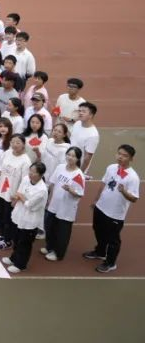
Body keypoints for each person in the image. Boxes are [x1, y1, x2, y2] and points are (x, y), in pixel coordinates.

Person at [85, 144, 139, 273]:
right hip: (101, 207)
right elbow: (103, 183)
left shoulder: (133, 177)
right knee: (98, 230)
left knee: (113, 240)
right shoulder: (111, 168)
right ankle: (100, 251)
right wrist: (96, 200)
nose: (120, 157)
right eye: (119, 153)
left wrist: (124, 191)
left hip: (115, 214)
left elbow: (134, 198)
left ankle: (110, 262)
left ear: (131, 159)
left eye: (125, 155)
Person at [42, 146, 85, 262]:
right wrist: (48, 199)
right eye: (68, 155)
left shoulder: (78, 175)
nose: (70, 157)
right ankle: (50, 247)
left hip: (66, 208)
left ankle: (58, 253)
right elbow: (52, 183)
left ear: (78, 159)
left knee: (62, 232)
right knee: (49, 226)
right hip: (54, 204)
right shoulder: (60, 167)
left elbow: (80, 194)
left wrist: (71, 190)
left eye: (73, 156)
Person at [4, 162, 47, 273]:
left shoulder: (42, 190)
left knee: (25, 243)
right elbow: (19, 192)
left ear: (41, 175)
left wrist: (21, 197)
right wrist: (16, 198)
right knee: (16, 239)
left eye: (34, 172)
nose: (31, 174)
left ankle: (20, 264)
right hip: (19, 214)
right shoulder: (26, 179)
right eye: (30, 170)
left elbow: (30, 205)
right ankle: (13, 258)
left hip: (30, 220)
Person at [70, 102, 100, 175]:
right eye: (79, 111)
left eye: (84, 111)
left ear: (91, 115)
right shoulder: (77, 123)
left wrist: (80, 172)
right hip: (68, 161)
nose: (80, 113)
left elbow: (87, 158)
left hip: (77, 168)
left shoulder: (93, 135)